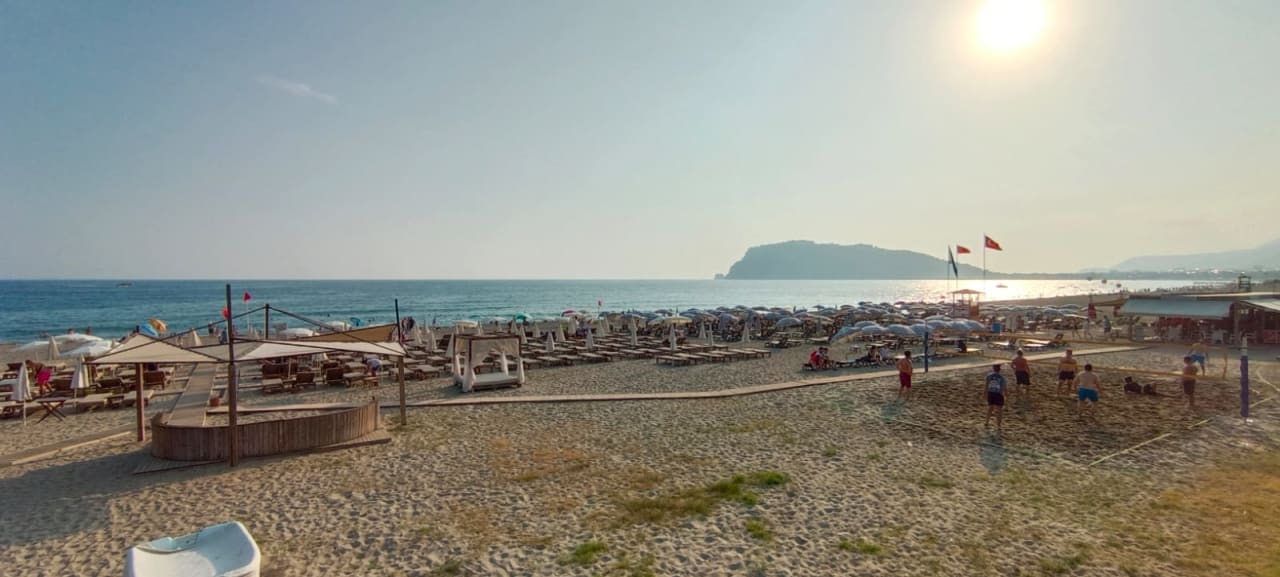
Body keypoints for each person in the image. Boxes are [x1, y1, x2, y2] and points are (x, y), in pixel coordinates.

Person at [984, 364, 1007, 431]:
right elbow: (1004, 388)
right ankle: (998, 426)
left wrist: (985, 394)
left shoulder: (989, 376)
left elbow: (986, 386)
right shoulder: (1002, 378)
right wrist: (1006, 395)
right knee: (999, 410)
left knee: (990, 408)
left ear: (993, 368)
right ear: (999, 369)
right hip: (998, 394)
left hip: (990, 393)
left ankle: (987, 422)